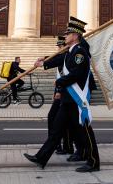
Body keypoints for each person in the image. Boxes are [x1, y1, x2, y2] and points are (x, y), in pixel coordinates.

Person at [24, 17, 100, 173]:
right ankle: (41, 157)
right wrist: (43, 62)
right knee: (56, 131)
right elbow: (58, 60)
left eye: (68, 33)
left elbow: (76, 74)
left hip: (77, 101)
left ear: (76, 35)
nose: (65, 36)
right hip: (67, 101)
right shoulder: (70, 53)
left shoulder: (80, 53)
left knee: (86, 132)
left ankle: (93, 162)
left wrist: (60, 82)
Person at [49, 35, 75, 157]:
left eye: (60, 46)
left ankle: (58, 144)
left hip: (65, 93)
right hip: (61, 92)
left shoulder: (67, 57)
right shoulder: (64, 56)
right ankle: (65, 146)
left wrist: (58, 90)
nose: (58, 49)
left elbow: (65, 75)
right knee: (63, 122)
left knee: (55, 119)